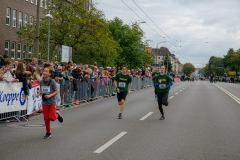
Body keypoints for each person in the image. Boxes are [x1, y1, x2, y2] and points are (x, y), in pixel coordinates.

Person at [36, 67, 63, 139]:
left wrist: (50, 95)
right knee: (46, 118)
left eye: (46, 71)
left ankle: (57, 115)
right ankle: (48, 133)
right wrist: (39, 94)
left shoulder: (52, 82)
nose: (44, 72)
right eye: (44, 71)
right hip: (44, 102)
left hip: (52, 102)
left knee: (52, 118)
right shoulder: (41, 81)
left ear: (50, 74)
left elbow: (57, 91)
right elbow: (42, 89)